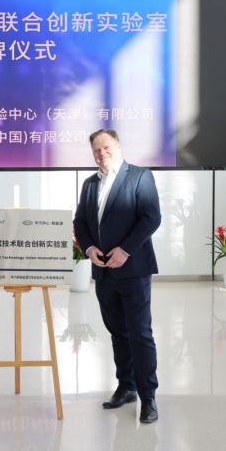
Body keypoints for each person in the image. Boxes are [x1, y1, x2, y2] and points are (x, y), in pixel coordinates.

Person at [73, 129, 161, 423]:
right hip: (104, 272)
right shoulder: (89, 184)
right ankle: (127, 386)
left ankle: (148, 397)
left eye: (106, 147)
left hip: (133, 270)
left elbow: (151, 218)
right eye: (96, 150)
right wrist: (89, 248)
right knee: (118, 333)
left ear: (118, 146)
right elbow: (80, 222)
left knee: (140, 333)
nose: (101, 153)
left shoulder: (139, 176)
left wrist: (126, 250)